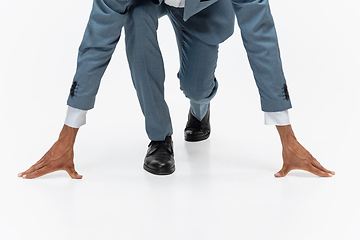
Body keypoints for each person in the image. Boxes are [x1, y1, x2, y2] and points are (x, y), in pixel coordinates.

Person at [18, 0, 335, 179]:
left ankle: (200, 107)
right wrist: (66, 137)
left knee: (196, 86)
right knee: (137, 26)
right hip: (146, 4)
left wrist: (287, 138)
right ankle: (159, 138)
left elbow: (261, 37)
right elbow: (96, 42)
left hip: (205, 10)